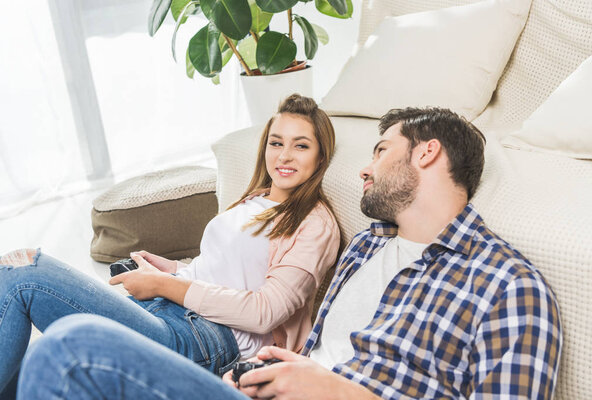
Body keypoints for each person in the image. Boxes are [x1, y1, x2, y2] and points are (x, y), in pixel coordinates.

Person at [16, 107, 562, 399]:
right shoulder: (369, 247)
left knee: (69, 344)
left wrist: (335, 391)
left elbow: (278, 318)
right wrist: (266, 369)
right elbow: (315, 348)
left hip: (228, 344)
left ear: (427, 152)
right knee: (57, 354)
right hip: (247, 382)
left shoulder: (508, 285)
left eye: (378, 151)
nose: (364, 169)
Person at [0, 94, 340, 394]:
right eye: (276, 143)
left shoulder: (314, 222)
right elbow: (225, 271)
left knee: (24, 272)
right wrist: (176, 270)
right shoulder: (257, 199)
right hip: (176, 311)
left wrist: (164, 284)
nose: (284, 156)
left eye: (301, 145)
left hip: (211, 338)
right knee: (31, 360)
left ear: (321, 157)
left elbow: (264, 312)